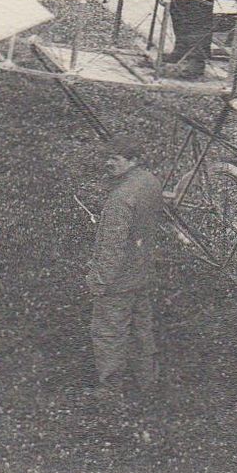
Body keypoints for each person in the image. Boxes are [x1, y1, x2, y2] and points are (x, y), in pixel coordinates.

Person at [85, 136, 164, 401]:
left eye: (115, 159)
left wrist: (99, 280)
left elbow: (111, 247)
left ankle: (110, 388)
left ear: (133, 160)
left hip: (118, 280)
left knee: (109, 331)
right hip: (142, 272)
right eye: (107, 157)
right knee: (141, 328)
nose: (109, 164)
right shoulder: (151, 183)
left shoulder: (120, 199)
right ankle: (148, 381)